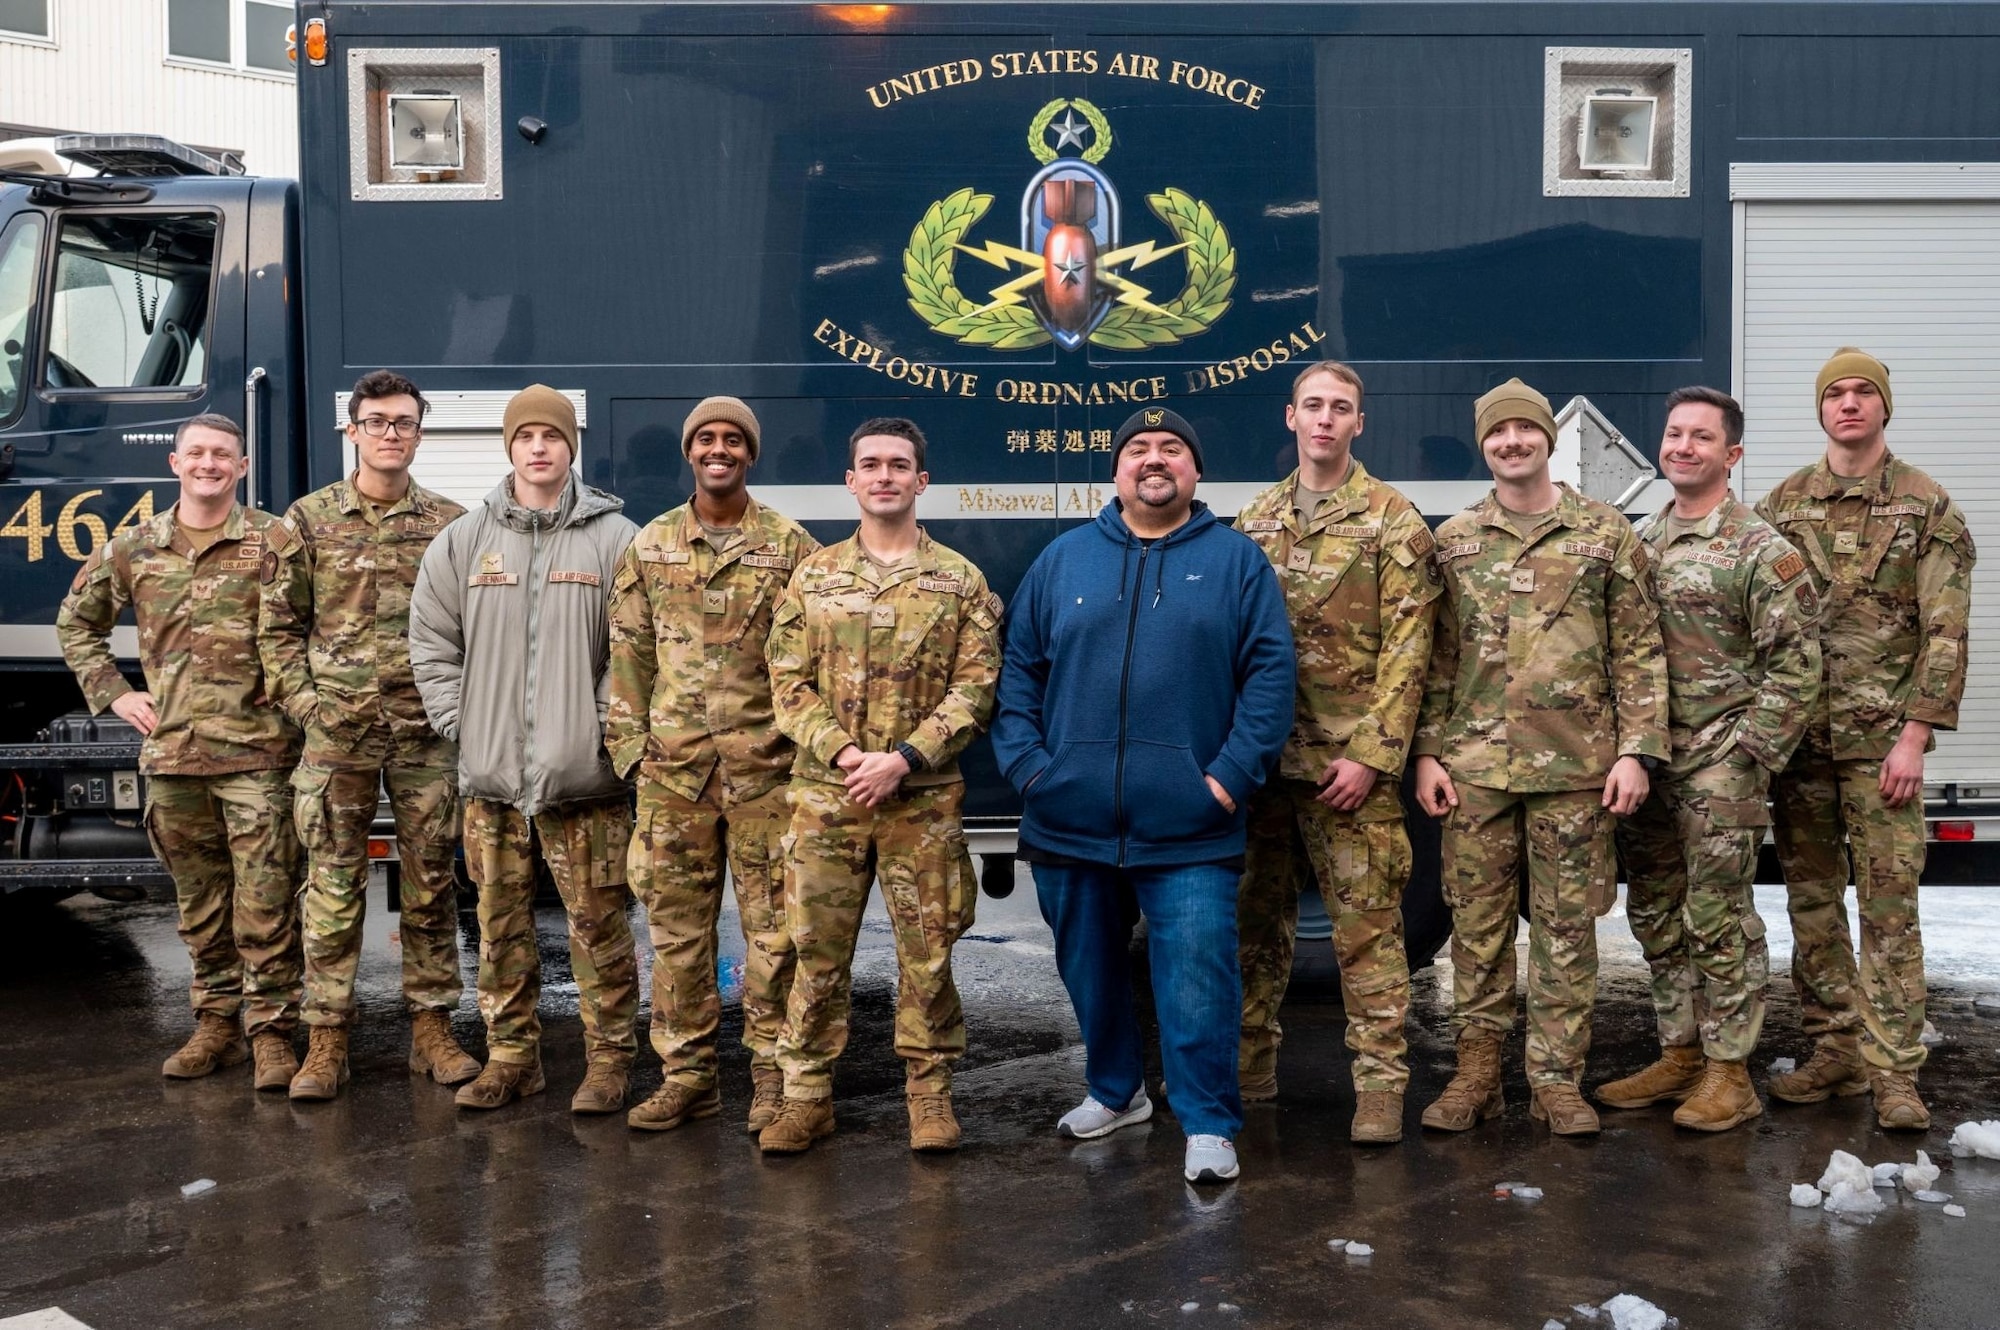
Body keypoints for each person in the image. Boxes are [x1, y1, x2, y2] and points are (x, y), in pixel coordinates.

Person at [992, 405, 1295, 1185]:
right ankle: (1115, 1092)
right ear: (1116, 470)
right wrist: (1031, 771)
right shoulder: (1063, 561)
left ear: (1196, 471)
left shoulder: (1238, 563)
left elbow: (1269, 678)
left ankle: (1208, 1123)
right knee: (1089, 971)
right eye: (1138, 449)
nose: (1154, 459)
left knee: (1198, 980)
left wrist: (1227, 779)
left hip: (1190, 822)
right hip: (1070, 818)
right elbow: (1018, 671)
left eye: (1171, 448)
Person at [1413, 378, 1669, 1137]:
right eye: (1498, 433)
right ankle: (1477, 1077)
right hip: (1475, 771)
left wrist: (1637, 752)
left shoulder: (1605, 534)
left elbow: (1639, 648)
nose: (1512, 442)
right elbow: (1437, 657)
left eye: (1525, 429)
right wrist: (1427, 753)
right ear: (1484, 445)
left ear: (1548, 441)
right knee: (1477, 933)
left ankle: (1557, 1083)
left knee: (1565, 933)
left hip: (1576, 771)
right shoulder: (1456, 541)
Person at [757, 417, 1000, 1156]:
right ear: (851, 481)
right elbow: (786, 682)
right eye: (871, 464)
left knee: (928, 952)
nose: (885, 475)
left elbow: (976, 688)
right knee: (813, 950)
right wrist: (844, 754)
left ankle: (929, 1096)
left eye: (899, 464)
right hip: (827, 799)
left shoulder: (959, 580)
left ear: (922, 480)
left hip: (921, 801)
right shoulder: (814, 576)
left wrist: (904, 758)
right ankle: (805, 1098)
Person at [1756, 349, 1975, 1131]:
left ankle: (1895, 1073)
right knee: (1812, 903)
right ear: (1821, 410)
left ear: (1884, 407)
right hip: (1800, 747)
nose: (1848, 404)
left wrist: (1915, 738)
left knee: (1889, 908)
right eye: (1836, 394)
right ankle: (1836, 1051)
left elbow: (1945, 633)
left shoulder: (1927, 507)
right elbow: (1756, 623)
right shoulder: (1781, 507)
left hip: (1883, 748)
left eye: (1863, 393)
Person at [409, 385, 642, 1113]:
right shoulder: (464, 540)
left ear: (572, 446)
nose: (539, 448)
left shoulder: (617, 540)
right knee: (499, 926)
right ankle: (512, 1058)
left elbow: (635, 650)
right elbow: (432, 641)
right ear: (509, 447)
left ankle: (609, 1064)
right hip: (492, 783)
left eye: (553, 436)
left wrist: (597, 729)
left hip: (586, 782)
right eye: (526, 436)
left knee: (600, 927)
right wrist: (463, 722)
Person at [56, 413, 303, 1089]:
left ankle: (273, 1035)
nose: (208, 464)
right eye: (196, 453)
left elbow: (313, 628)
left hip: (259, 755)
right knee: (199, 906)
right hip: (174, 760)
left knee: (267, 902)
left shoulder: (274, 541)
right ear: (175, 463)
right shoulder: (135, 547)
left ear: (242, 467)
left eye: (222, 454)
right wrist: (114, 694)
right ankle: (216, 1027)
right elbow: (76, 623)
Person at [1599, 387, 1820, 1131]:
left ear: (1732, 454)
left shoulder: (1761, 550)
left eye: (1701, 436)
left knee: (1717, 917)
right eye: (1674, 434)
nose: (1683, 447)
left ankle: (1731, 1073)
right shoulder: (1641, 542)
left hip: (1721, 763)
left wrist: (1750, 755)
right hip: (1647, 761)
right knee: (1656, 910)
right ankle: (1681, 1053)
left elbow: (1797, 665)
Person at [1233, 362, 1440, 1144]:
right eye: (1313, 405)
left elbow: (1410, 652)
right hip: (1264, 768)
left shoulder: (1393, 520)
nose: (1325, 419)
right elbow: (1232, 646)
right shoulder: (1254, 521)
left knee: (1368, 935)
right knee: (1254, 929)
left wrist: (1372, 758)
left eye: (1340, 408)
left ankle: (1380, 1090)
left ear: (1360, 422)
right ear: (1290, 417)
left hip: (1347, 770)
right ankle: (1249, 1070)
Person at [260, 370, 478, 1102]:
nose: (391, 433)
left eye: (404, 422)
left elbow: (471, 630)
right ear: (352, 431)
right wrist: (311, 709)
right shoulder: (308, 519)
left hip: (424, 736)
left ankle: (432, 1032)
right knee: (331, 889)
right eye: (377, 421)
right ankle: (327, 1041)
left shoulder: (450, 524)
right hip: (338, 736)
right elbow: (277, 629)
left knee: (432, 886)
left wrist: (455, 710)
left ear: (419, 434)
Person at [606, 397, 819, 1134]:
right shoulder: (652, 544)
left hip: (766, 774)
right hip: (674, 776)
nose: (718, 449)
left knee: (775, 940)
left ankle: (771, 1079)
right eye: (706, 438)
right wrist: (631, 753)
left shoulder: (791, 547)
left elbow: (813, 659)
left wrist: (800, 756)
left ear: (750, 454)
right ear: (689, 452)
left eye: (732, 439)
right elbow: (629, 654)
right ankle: (687, 1077)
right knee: (675, 937)